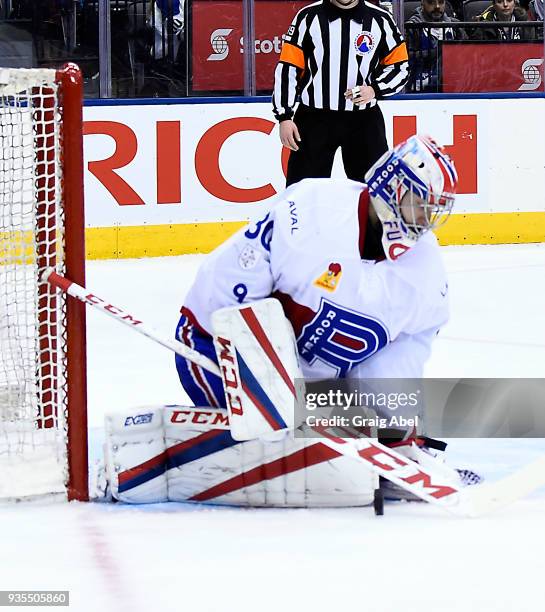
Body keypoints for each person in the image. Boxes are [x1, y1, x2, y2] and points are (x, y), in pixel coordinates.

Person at [175, 135, 457, 406]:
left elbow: (404, 352)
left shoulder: (427, 271)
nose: (425, 220)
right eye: (419, 205)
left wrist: (385, 421)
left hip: (312, 395)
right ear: (393, 187)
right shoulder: (313, 209)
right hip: (214, 343)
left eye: (432, 211)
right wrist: (269, 391)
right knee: (265, 438)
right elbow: (231, 286)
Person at [272, 0, 409, 187]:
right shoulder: (307, 17)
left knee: (376, 190)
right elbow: (289, 68)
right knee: (303, 191)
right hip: (314, 119)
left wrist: (375, 89)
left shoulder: (381, 19)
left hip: (364, 120)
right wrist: (284, 116)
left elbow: (400, 66)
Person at [406, 0, 467, 92]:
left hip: (453, 84)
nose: (437, 6)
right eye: (431, 2)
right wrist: (438, 51)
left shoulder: (455, 26)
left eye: (441, 2)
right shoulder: (412, 27)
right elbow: (406, 57)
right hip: (419, 87)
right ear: (422, 2)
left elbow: (467, 54)